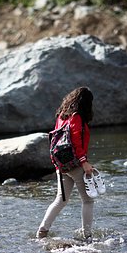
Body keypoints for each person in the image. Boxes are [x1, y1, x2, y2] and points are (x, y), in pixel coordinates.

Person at [37, 86, 95, 240]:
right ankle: (87, 236)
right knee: (88, 200)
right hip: (76, 164)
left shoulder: (62, 116)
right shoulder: (76, 117)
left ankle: (42, 231)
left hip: (62, 165)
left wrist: (59, 166)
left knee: (61, 200)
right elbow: (76, 142)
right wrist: (84, 163)